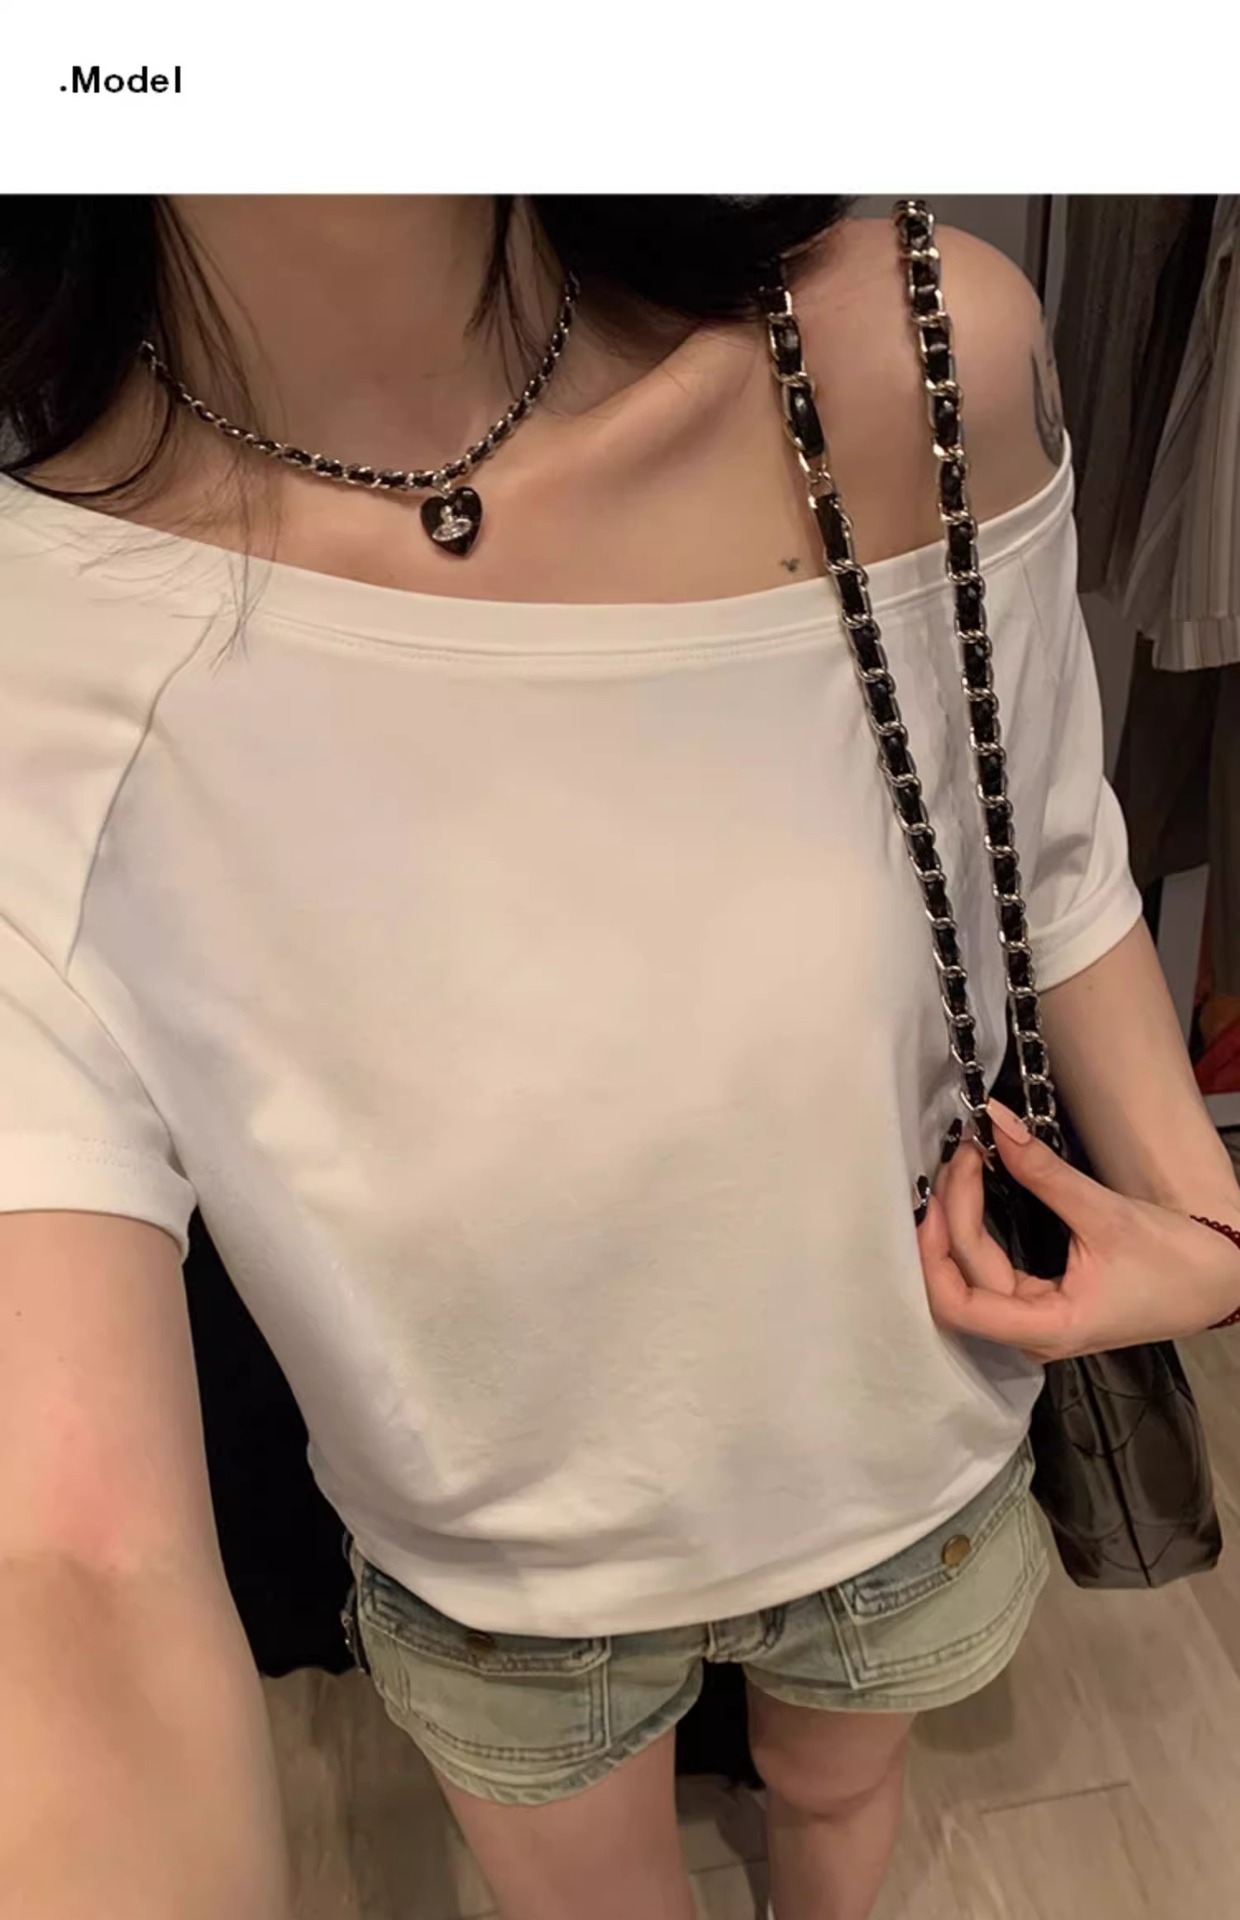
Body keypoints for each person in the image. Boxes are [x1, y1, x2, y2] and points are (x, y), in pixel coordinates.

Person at [0, 194, 1237, 1920]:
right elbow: (71, 1562)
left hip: (904, 1433)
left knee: (839, 1803)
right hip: (503, 1573)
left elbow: (1039, 836)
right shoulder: (46, 628)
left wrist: (1203, 1222)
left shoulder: (917, 347)